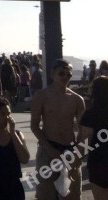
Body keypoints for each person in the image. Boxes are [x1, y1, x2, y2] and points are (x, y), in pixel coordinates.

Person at [30, 58, 85, 200]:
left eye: (69, 75)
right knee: (46, 193)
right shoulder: (41, 96)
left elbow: (83, 129)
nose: (65, 77)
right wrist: (49, 148)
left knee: (72, 194)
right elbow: (34, 125)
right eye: (62, 73)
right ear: (52, 73)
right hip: (48, 148)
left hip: (70, 149)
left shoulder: (77, 99)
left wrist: (78, 153)